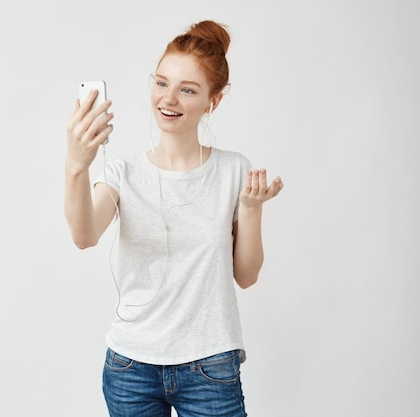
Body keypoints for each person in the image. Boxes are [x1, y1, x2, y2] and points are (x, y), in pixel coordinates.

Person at [65, 20, 283, 417]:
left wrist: (251, 209)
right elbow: (84, 235)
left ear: (212, 102)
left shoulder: (233, 171)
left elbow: (246, 276)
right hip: (131, 368)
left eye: (188, 90)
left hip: (211, 366)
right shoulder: (122, 174)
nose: (169, 99)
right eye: (162, 83)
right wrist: (76, 167)